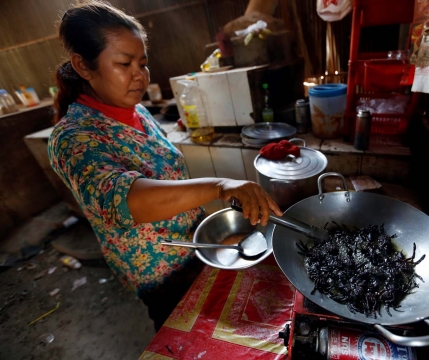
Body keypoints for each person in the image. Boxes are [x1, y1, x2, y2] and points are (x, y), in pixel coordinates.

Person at [48, 0, 282, 332]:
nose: (139, 76)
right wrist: (220, 186)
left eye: (142, 64)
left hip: (197, 249)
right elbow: (124, 200)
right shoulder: (72, 137)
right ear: (83, 66)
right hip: (162, 277)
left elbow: (166, 175)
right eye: (124, 63)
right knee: (185, 340)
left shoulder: (137, 112)